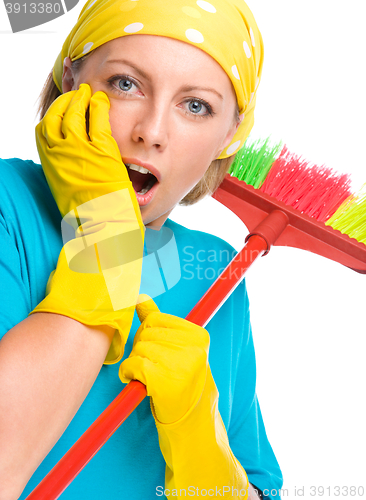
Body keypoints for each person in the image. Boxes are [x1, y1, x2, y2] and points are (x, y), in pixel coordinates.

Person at [0, 0, 283, 498]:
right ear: (70, 82)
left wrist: (203, 444)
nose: (150, 131)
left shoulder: (217, 272)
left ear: (230, 135)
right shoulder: (8, 205)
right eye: (125, 84)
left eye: (196, 106)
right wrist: (108, 245)